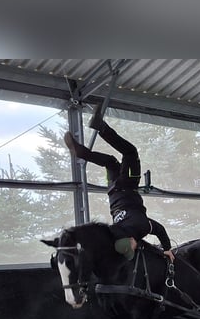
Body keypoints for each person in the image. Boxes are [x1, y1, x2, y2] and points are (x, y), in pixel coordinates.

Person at [64, 105, 175, 262]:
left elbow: (160, 230)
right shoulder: (113, 230)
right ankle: (82, 153)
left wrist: (167, 249)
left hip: (127, 186)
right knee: (110, 161)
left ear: (132, 243)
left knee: (130, 152)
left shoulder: (142, 227)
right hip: (113, 192)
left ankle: (101, 127)